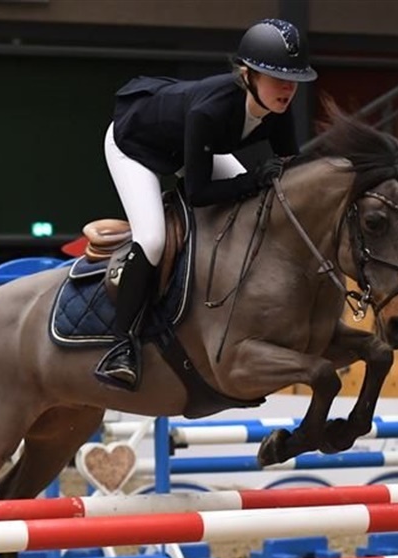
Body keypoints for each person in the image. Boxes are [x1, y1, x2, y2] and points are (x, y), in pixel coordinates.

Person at [94, 18, 317, 391]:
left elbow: (290, 171)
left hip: (193, 144)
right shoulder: (210, 110)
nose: (288, 88)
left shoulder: (278, 111)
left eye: (294, 79)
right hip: (135, 145)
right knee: (152, 239)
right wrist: (254, 179)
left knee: (254, 204)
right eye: (278, 78)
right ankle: (121, 345)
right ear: (247, 75)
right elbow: (198, 193)